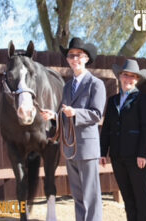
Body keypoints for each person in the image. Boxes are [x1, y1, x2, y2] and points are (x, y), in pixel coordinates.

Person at [40, 37, 106, 221]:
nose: (74, 59)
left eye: (78, 55)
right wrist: (53, 115)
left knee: (91, 196)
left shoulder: (96, 84)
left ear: (86, 58)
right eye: (71, 55)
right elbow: (64, 113)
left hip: (87, 148)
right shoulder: (67, 86)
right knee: (77, 196)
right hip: (70, 148)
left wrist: (75, 112)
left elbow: (96, 114)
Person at [100, 59, 146, 221]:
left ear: (137, 79)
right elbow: (107, 128)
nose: (128, 79)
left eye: (132, 76)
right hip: (117, 155)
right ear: (120, 77)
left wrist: (142, 153)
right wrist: (103, 152)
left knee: (141, 196)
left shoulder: (143, 99)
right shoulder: (113, 100)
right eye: (125, 75)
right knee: (127, 196)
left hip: (137, 157)